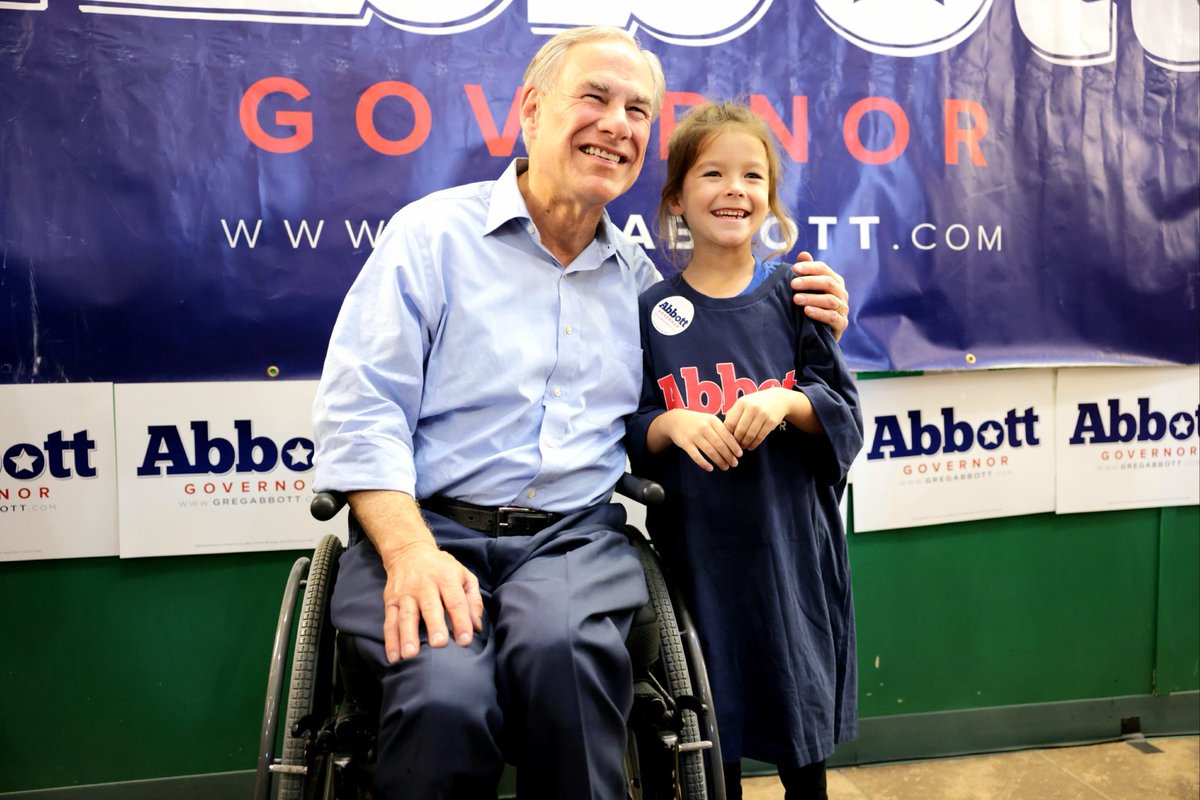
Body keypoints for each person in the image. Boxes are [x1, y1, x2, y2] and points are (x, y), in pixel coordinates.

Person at [312, 28, 851, 800]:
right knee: (445, 696)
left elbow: (731, 331)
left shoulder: (640, 284)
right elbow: (361, 412)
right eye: (594, 97)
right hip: (428, 529)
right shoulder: (430, 239)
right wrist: (409, 554)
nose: (619, 122)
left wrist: (814, 312)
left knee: (567, 666)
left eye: (638, 110)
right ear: (531, 111)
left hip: (572, 542)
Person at [626, 101, 864, 800]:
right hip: (698, 553)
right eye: (713, 173)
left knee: (798, 724)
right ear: (676, 197)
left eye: (752, 175)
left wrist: (786, 403)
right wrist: (671, 425)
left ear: (770, 197)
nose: (735, 189)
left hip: (789, 550)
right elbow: (632, 426)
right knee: (709, 718)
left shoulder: (798, 294)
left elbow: (843, 412)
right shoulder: (651, 313)